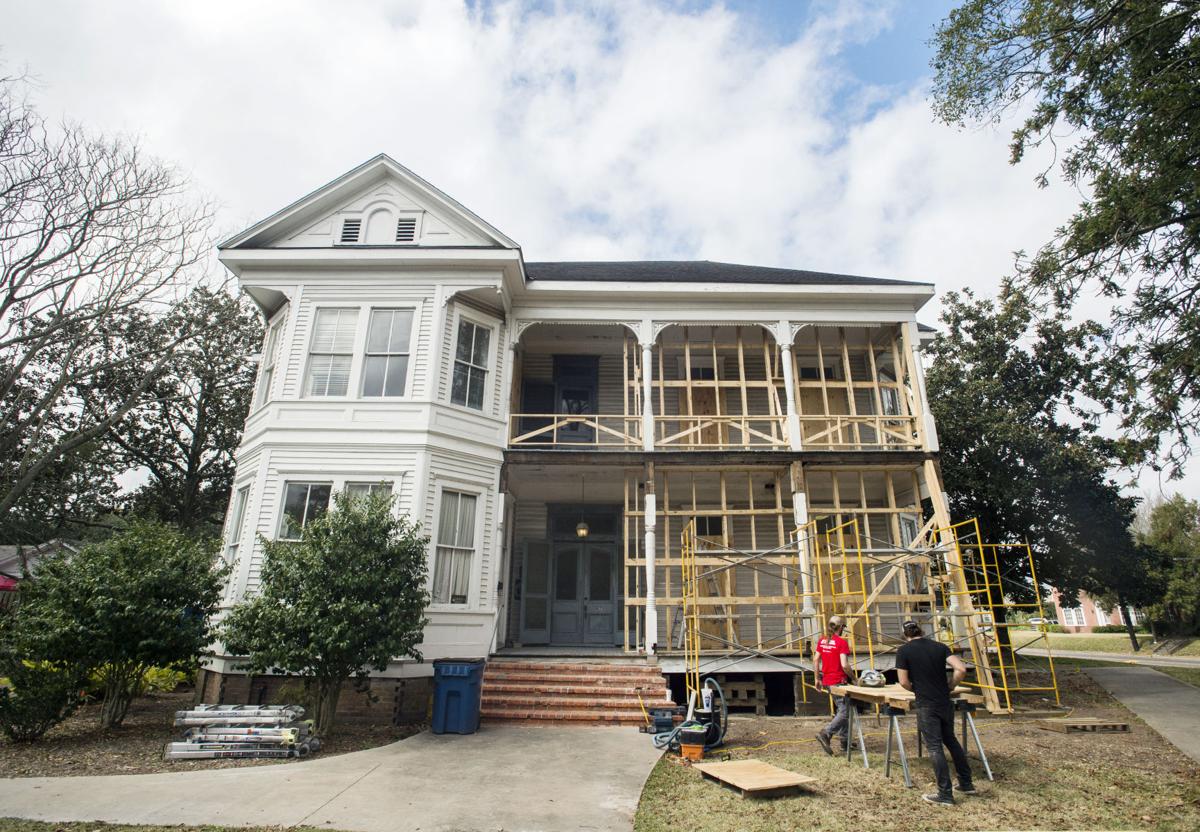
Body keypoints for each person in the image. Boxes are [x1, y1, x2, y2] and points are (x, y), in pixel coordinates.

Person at [895, 619, 977, 806]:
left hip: (926, 703)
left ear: (904, 635)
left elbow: (903, 681)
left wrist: (917, 689)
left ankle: (945, 794)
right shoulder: (940, 646)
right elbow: (961, 668)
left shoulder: (904, 651)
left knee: (934, 747)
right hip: (943, 701)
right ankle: (966, 783)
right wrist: (951, 685)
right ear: (920, 630)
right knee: (951, 741)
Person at [814, 614, 855, 755]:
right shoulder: (841, 643)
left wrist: (816, 678)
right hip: (839, 681)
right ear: (840, 627)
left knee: (842, 709)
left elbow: (815, 659)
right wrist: (854, 678)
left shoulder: (822, 641)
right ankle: (826, 733)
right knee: (845, 712)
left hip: (827, 681)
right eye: (843, 627)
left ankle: (845, 741)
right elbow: (844, 665)